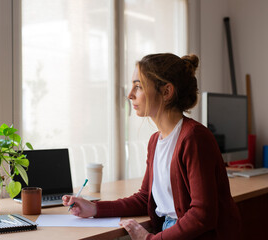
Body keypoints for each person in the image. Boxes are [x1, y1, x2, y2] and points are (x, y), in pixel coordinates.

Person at [62, 53, 241, 240]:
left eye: (138, 86)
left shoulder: (194, 138)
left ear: (166, 92)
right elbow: (144, 198)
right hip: (170, 230)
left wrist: (150, 239)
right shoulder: (156, 141)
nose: (130, 94)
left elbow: (202, 216)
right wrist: (95, 208)